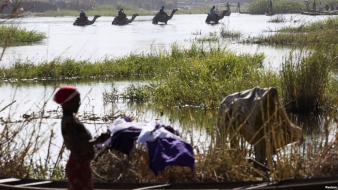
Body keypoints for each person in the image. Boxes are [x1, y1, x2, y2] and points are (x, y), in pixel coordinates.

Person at [54, 86, 110, 190]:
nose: (79, 103)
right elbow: (77, 144)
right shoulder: (69, 122)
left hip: (81, 166)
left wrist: (97, 140)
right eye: (76, 101)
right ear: (66, 103)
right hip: (77, 167)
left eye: (78, 101)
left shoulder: (71, 120)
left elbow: (82, 141)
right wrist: (97, 141)